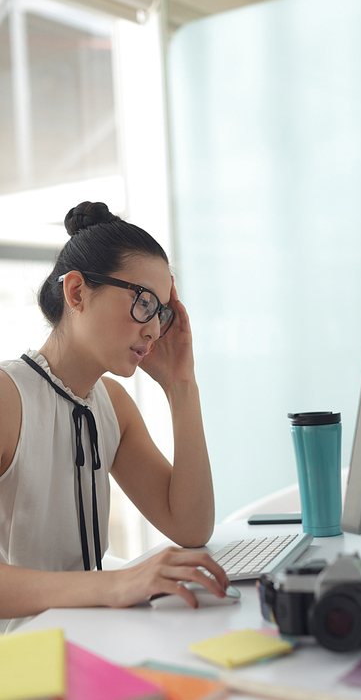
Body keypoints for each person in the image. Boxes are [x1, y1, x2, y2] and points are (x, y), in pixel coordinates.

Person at [0, 201, 229, 628]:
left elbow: (191, 526)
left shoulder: (112, 404)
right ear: (76, 293)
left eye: (162, 312)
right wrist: (115, 584)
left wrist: (182, 385)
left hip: (91, 642)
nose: (154, 329)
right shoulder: (7, 397)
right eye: (144, 302)